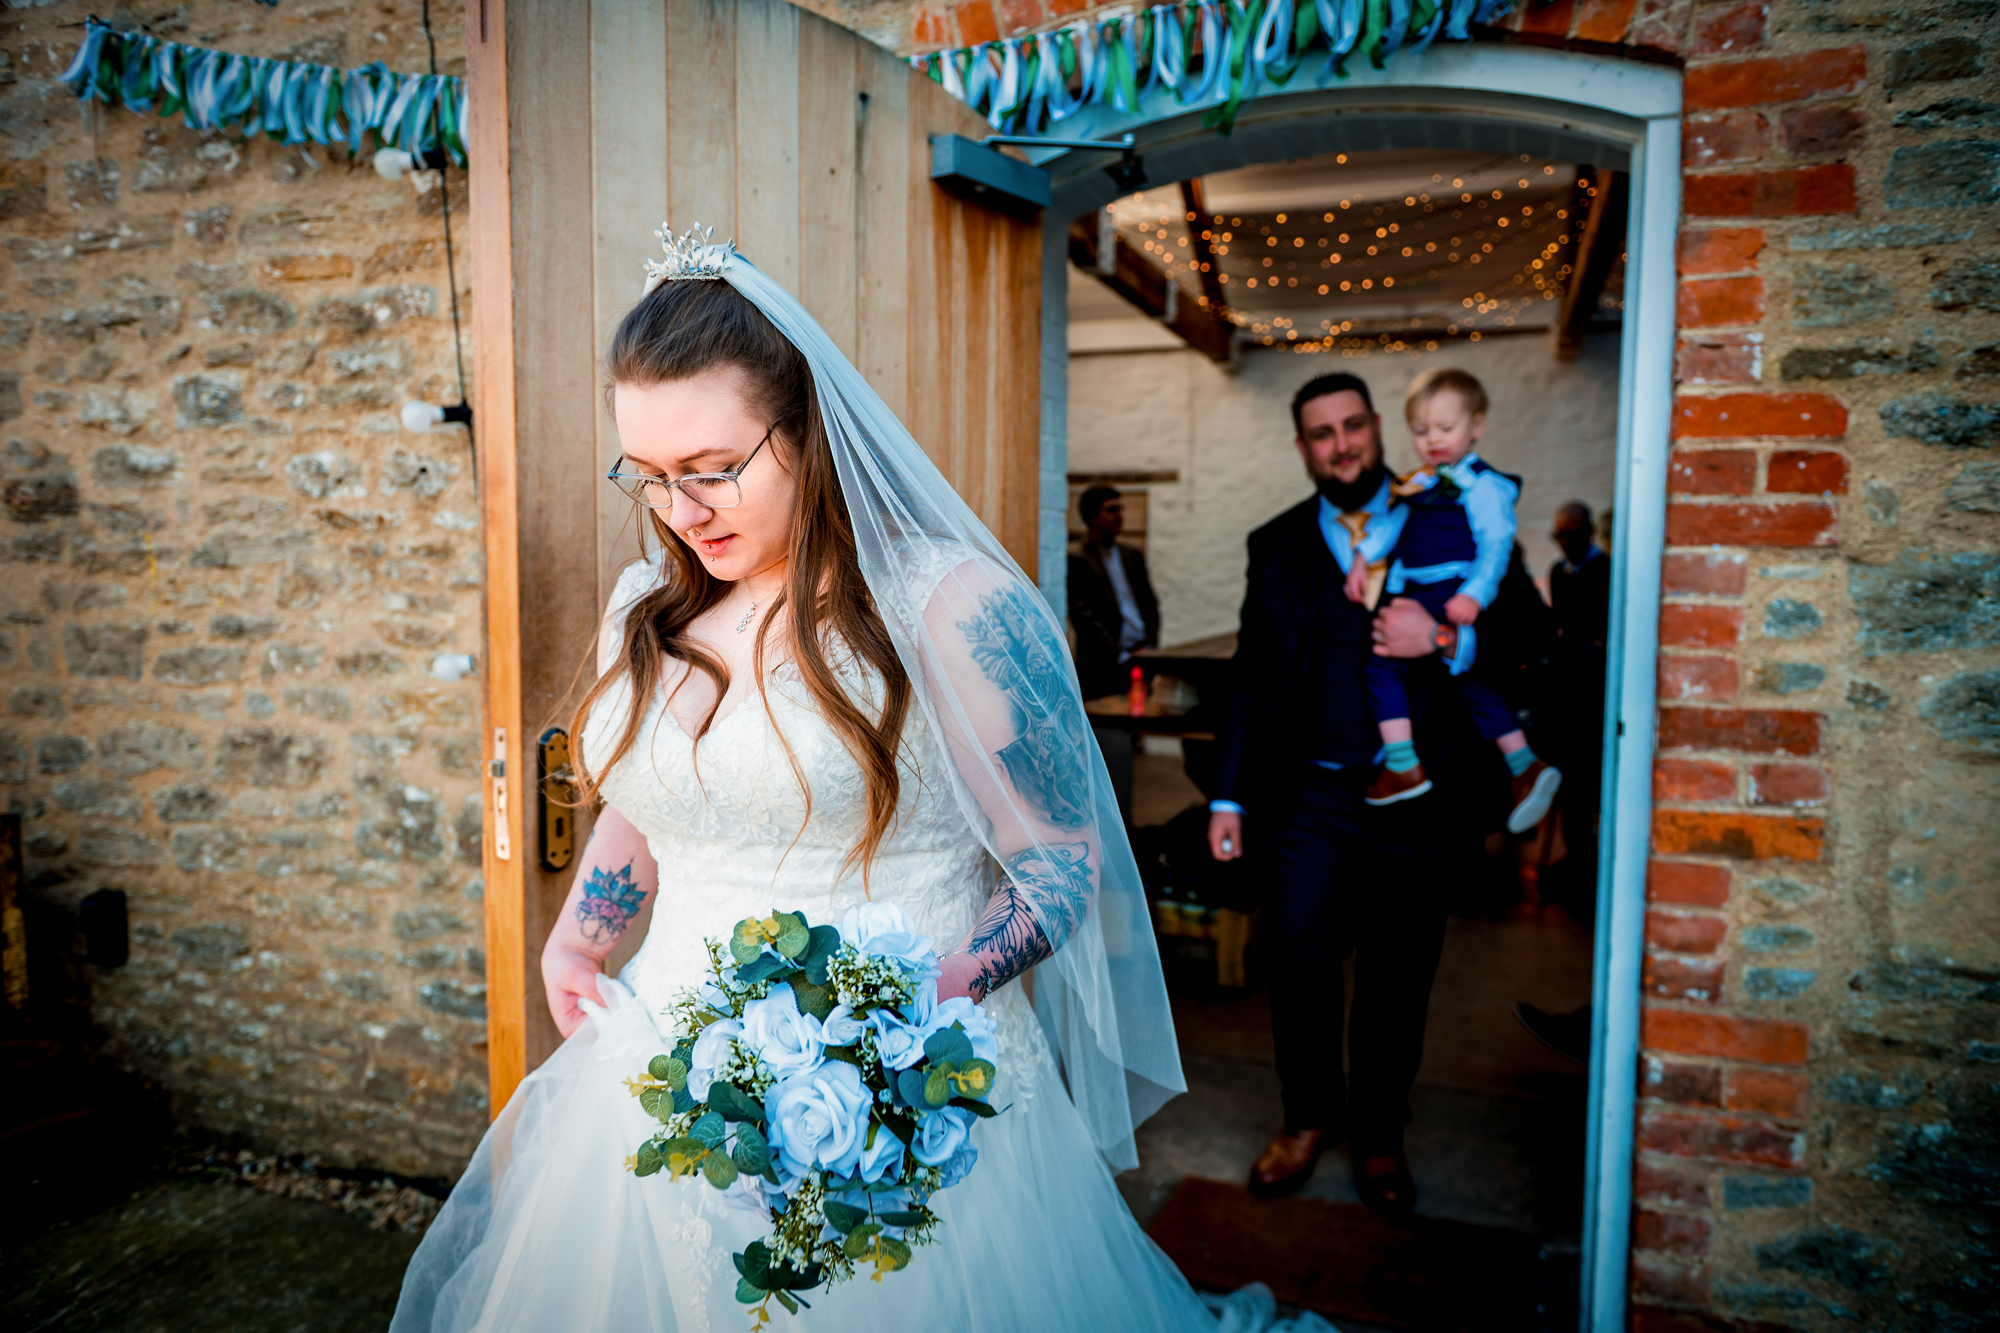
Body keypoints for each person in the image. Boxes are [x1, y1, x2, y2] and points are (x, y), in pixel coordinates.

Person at [391, 229, 1329, 1333]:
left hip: (904, 1093)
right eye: (647, 478)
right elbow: (650, 802)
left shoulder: (953, 608)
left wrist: (922, 1003)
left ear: (807, 430)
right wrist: (578, 935)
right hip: (662, 1078)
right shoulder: (646, 603)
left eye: (712, 470)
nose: (679, 513)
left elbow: (1060, 865)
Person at [1206, 371, 1498, 1219]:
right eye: (1321, 433)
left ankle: (1380, 1132)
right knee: (1296, 958)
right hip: (1312, 798)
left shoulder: (1447, 516)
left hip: (1417, 797)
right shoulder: (1277, 544)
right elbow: (1251, 680)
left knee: (1399, 976)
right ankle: (1306, 1119)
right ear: (1304, 449)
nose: (1341, 444)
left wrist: (1442, 633)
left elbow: (1518, 635)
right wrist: (1228, 797)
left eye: (1353, 426)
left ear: (1378, 428)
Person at [1347, 368, 1560, 833]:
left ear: (1476, 426)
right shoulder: (1416, 486)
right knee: (1465, 684)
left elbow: (1496, 545)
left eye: (1445, 428)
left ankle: (1410, 763)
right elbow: (1386, 529)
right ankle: (1523, 764)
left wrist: (1472, 597)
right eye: (1421, 431)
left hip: (1452, 591)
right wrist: (1362, 558)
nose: (1432, 440)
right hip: (1418, 590)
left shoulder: (1485, 486)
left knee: (1397, 668)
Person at [1068, 485, 1160, 700]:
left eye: (1121, 509)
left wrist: (1152, 647)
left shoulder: (1131, 555)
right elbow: (1082, 616)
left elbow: (1150, 605)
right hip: (1104, 663)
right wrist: (1121, 654)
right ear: (1092, 517)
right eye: (1111, 510)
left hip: (1142, 653)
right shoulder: (1078, 559)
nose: (1120, 516)